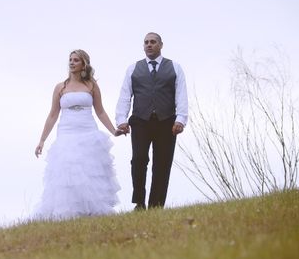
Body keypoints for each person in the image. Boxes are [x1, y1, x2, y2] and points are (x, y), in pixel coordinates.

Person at [33, 49, 121, 219]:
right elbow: (52, 114)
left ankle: (92, 211)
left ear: (83, 64)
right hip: (67, 132)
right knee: (68, 170)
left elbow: (100, 111)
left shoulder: (91, 86)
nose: (72, 63)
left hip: (88, 130)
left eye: (76, 60)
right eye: (70, 60)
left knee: (89, 169)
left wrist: (114, 130)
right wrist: (42, 140)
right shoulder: (60, 87)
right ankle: (69, 212)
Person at [115, 32, 188, 210]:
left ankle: (156, 205)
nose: (149, 45)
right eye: (146, 42)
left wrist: (181, 119)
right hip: (140, 120)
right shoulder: (133, 69)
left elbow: (181, 95)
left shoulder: (175, 67)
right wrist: (121, 120)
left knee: (162, 163)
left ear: (161, 45)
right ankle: (139, 202)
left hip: (166, 121)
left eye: (153, 42)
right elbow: (125, 95)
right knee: (138, 159)